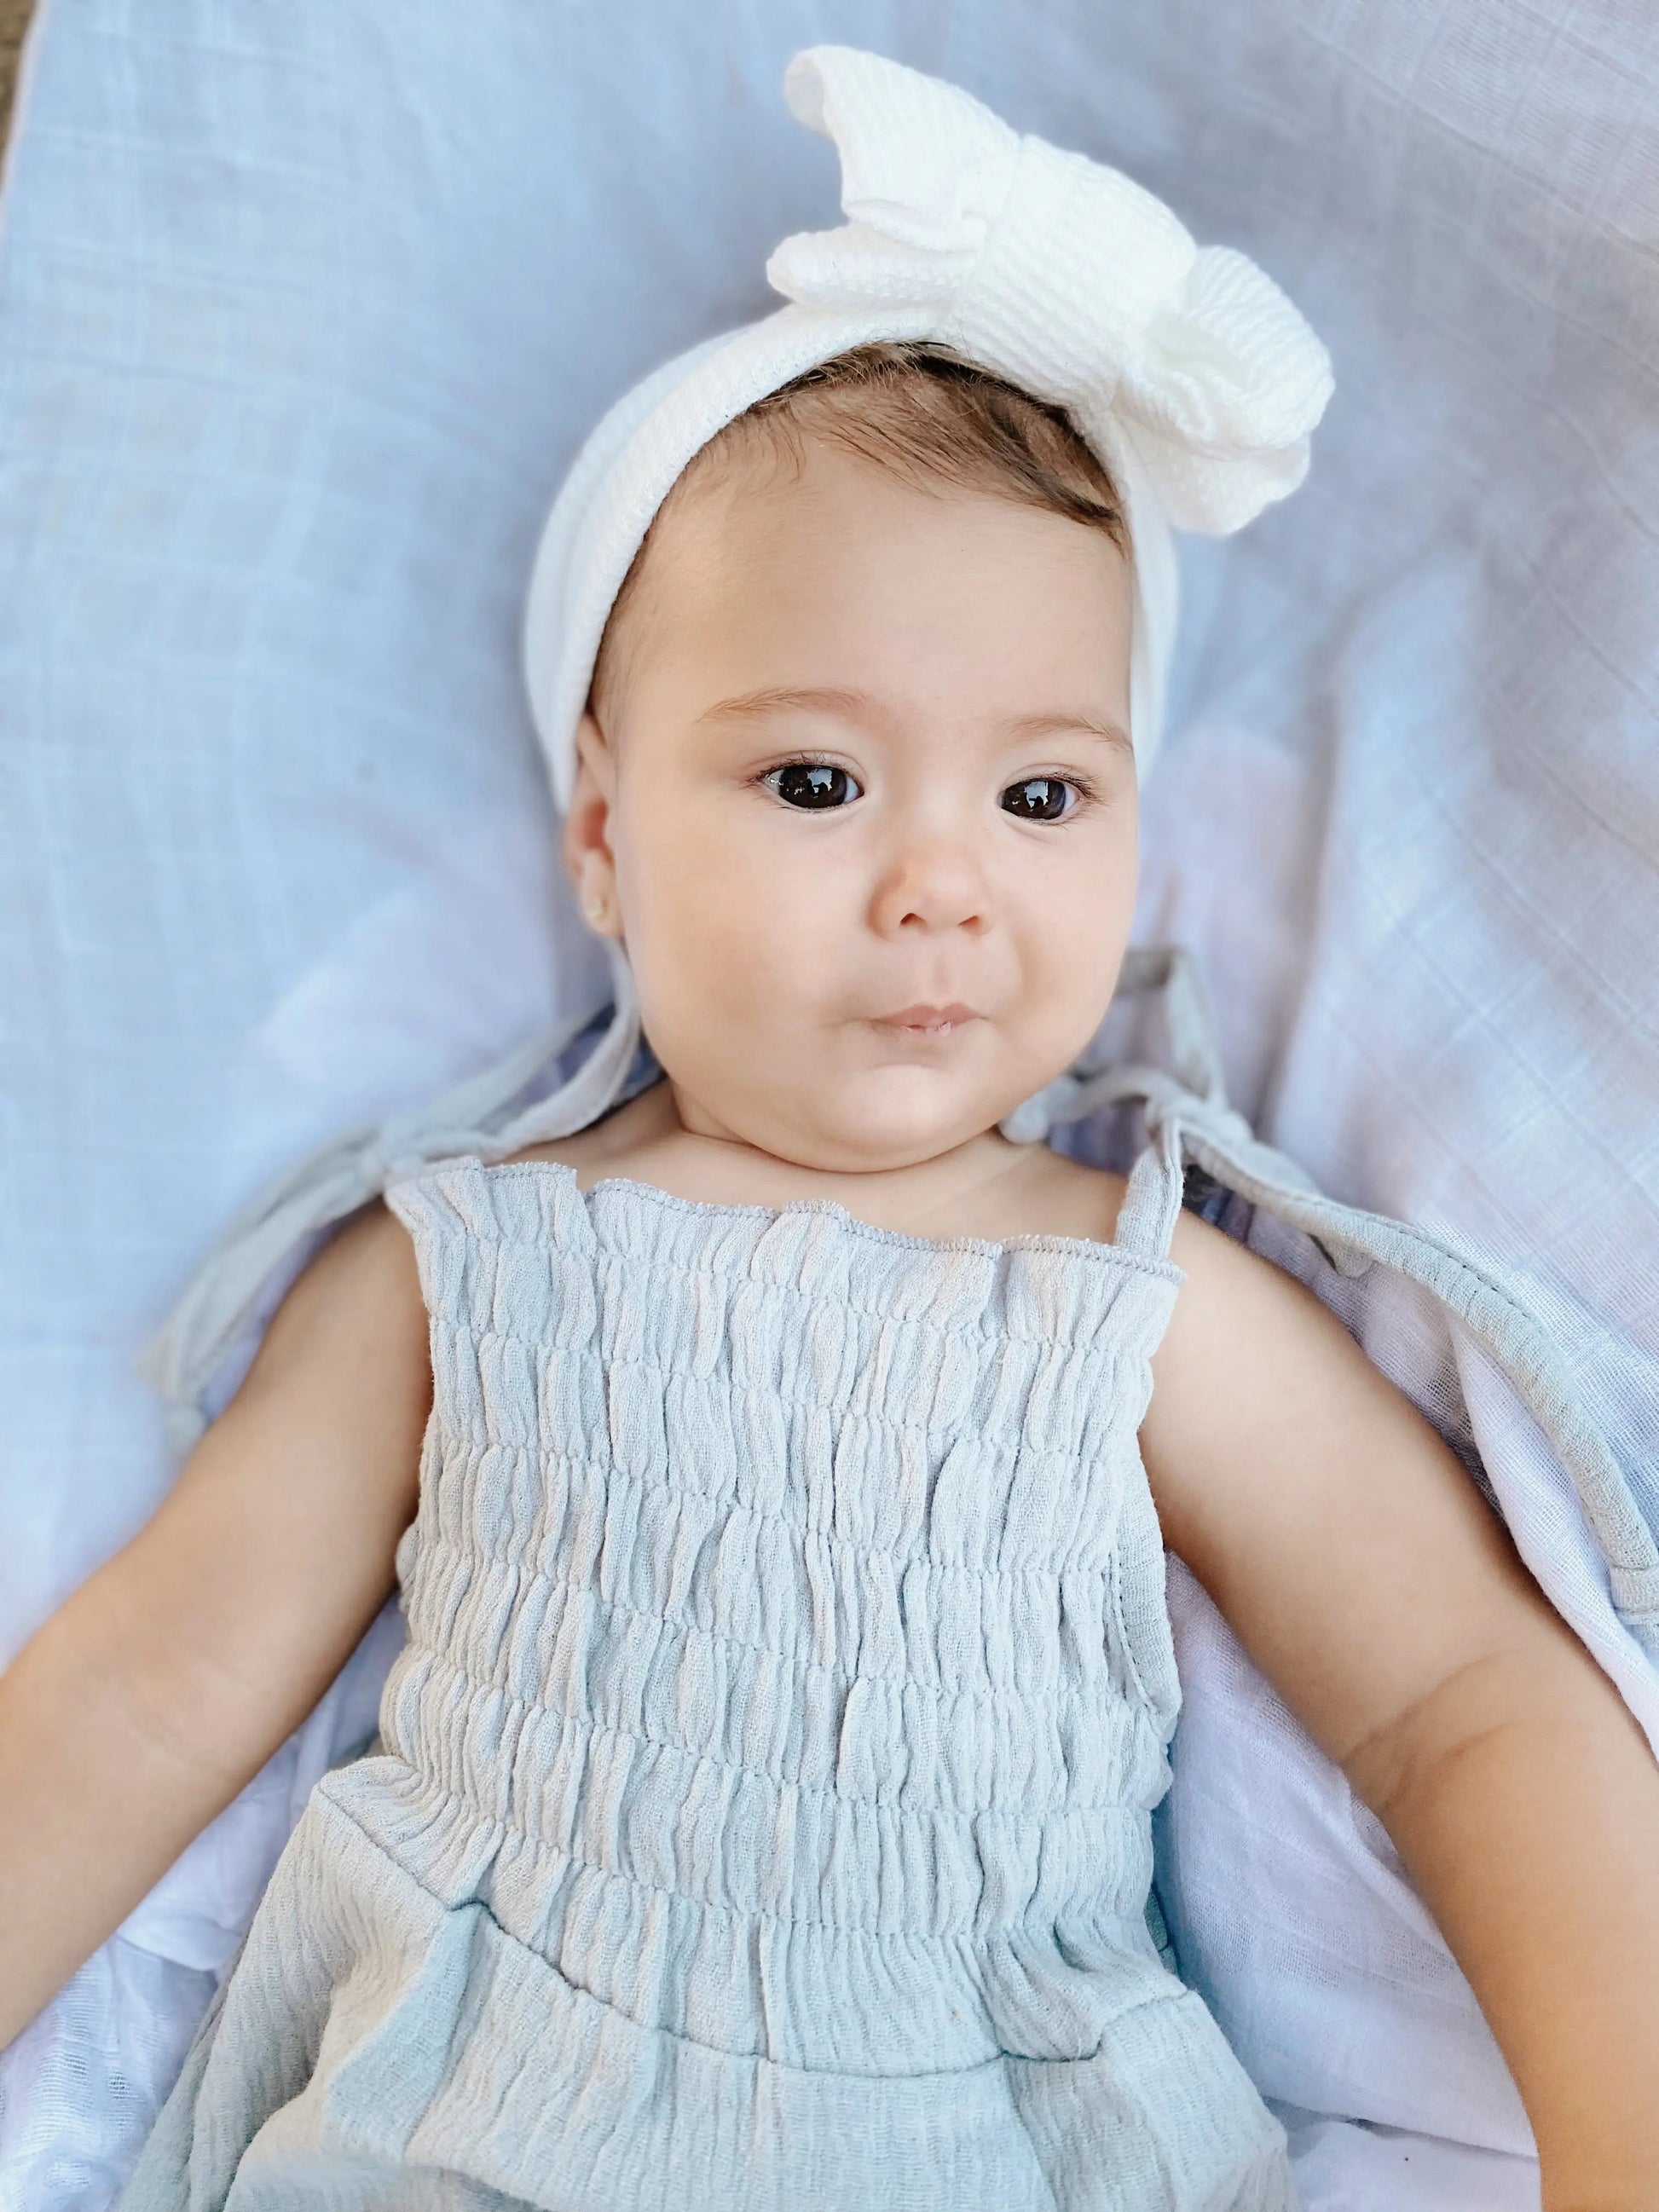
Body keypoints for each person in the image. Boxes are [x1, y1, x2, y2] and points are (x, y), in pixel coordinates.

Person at [2, 45, 1656, 2212]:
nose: (938, 880)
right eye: (813, 779)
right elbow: (146, 1686)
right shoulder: (457, 1259)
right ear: (605, 836)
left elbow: (1462, 1699)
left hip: (986, 2141)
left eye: (1040, 792)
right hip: (472, 2133)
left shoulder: (1138, 1305)